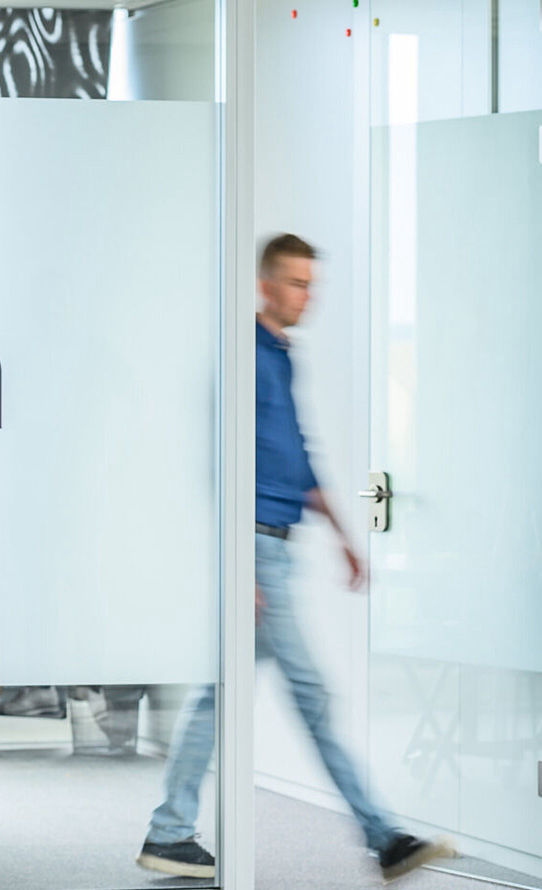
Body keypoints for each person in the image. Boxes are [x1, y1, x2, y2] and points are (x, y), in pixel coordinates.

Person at [135, 235, 452, 882]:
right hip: (257, 550)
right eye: (299, 283)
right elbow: (224, 462)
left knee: (217, 694)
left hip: (276, 547)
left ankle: (169, 831)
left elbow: (298, 459)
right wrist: (243, 566)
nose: (309, 296)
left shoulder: (280, 358)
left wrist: (342, 536)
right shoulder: (248, 356)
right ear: (266, 285)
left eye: (312, 284)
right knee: (311, 695)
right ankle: (383, 837)